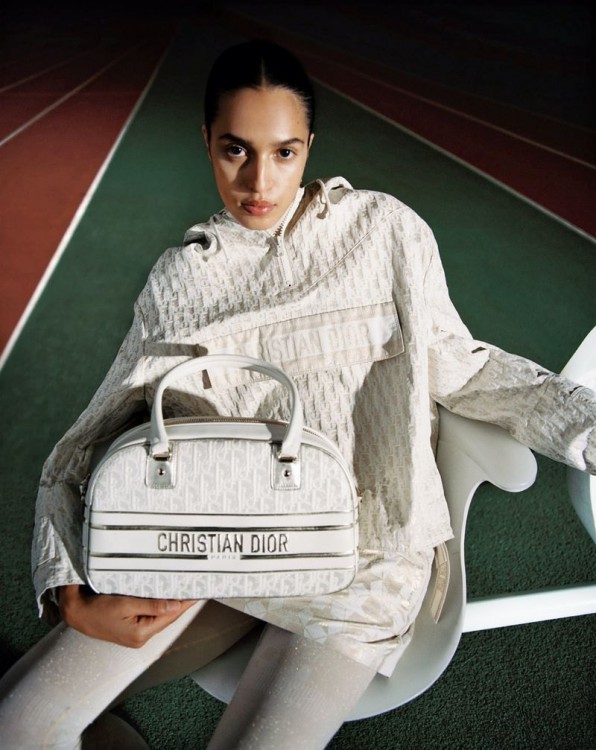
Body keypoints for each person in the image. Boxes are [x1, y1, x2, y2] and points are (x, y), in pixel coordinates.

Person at [0, 39, 594, 750]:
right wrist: (67, 587)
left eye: (284, 152)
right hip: (209, 544)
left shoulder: (384, 231)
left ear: (309, 146)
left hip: (360, 558)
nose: (260, 180)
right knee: (17, 724)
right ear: (207, 142)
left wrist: (587, 430)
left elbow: (465, 368)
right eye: (236, 150)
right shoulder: (182, 280)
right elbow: (92, 436)